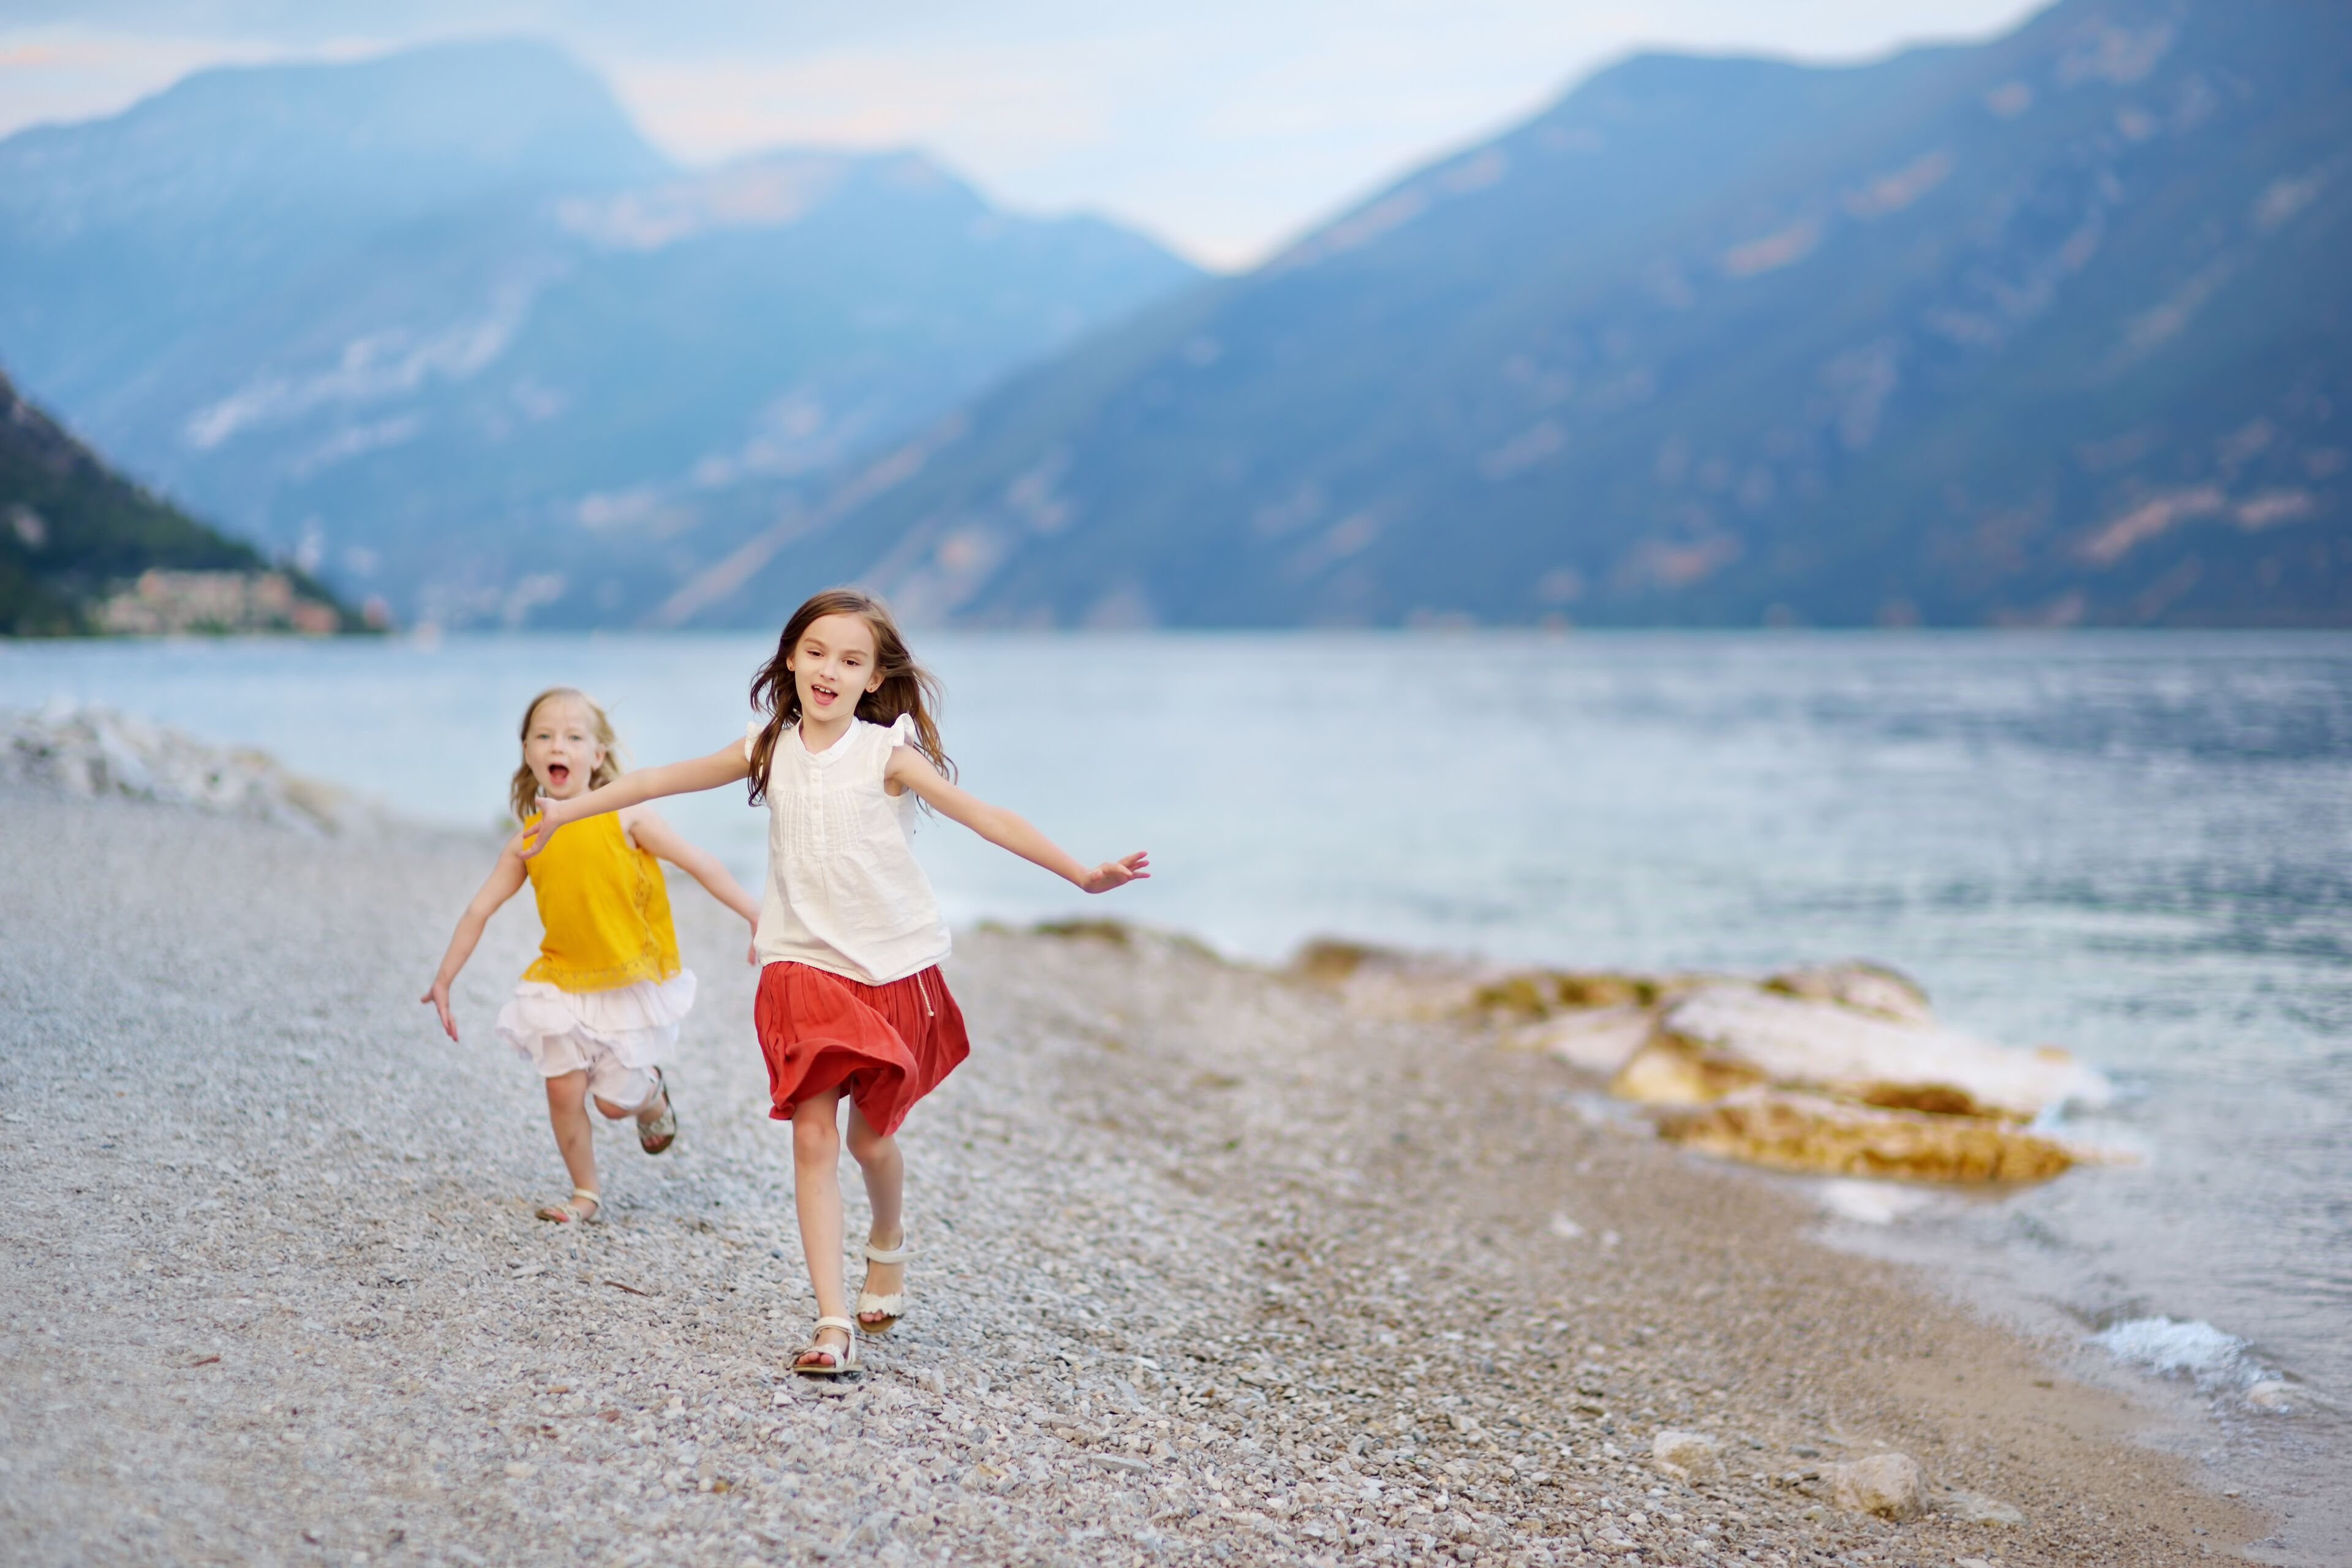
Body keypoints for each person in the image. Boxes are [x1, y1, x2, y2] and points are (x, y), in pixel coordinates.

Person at [521, 588, 1148, 1374]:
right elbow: (654, 781)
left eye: (851, 660)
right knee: (813, 1137)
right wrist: (567, 813)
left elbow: (985, 815)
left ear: (873, 676)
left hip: (889, 968)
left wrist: (1081, 873)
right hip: (799, 965)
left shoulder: (887, 755)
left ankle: (888, 1245)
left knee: (871, 1141)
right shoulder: (767, 746)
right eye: (816, 652)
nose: (829, 670)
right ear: (790, 657)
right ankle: (831, 1323)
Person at [423, 687, 761, 1224]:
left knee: (612, 1103)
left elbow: (699, 862)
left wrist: (754, 913)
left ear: (597, 757)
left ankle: (650, 1094)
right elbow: (479, 910)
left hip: (626, 979)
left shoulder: (627, 817)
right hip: (561, 981)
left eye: (574, 737)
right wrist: (444, 979)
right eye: (545, 736)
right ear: (530, 754)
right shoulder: (527, 841)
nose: (559, 745)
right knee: (563, 1090)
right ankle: (586, 1193)